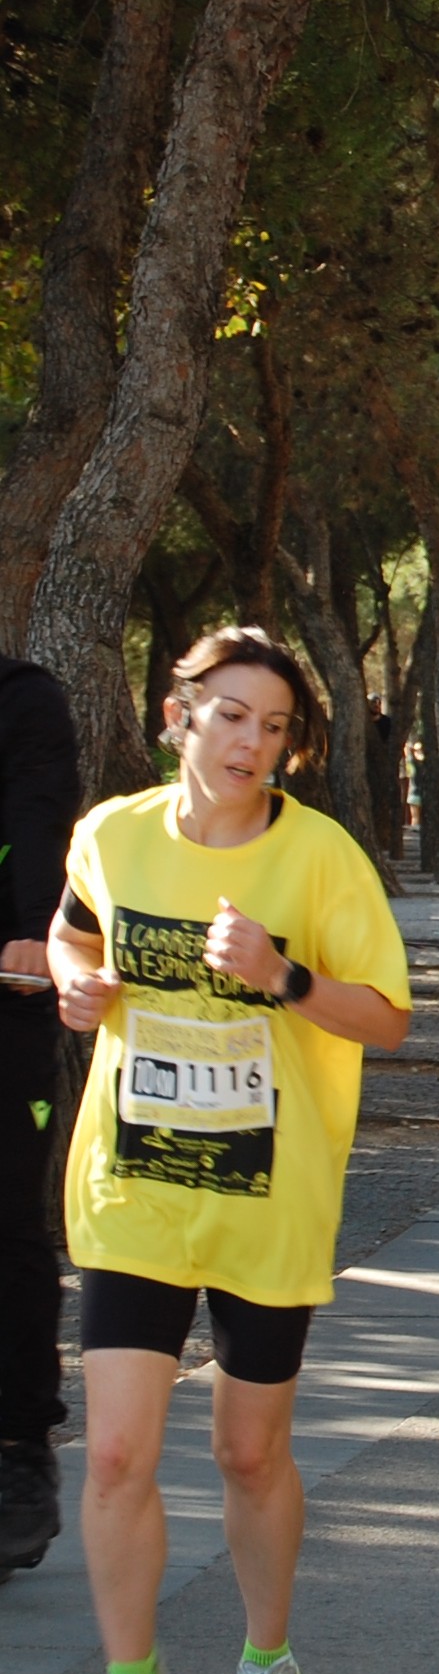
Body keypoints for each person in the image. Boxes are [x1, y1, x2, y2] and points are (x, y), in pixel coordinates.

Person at [45, 628, 411, 1674]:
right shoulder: (112, 834)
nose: (252, 742)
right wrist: (75, 983)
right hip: (136, 1185)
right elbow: (72, 930)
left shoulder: (320, 858)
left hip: (267, 1194)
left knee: (247, 1451)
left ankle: (266, 1667)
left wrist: (283, 976)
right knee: (115, 1450)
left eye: (274, 726)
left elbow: (387, 1016)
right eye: (232, 715)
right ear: (180, 716)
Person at [0, 654, 77, 1580]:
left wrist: (31, 927)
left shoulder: (23, 700)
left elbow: (37, 816)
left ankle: (19, 1446)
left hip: (7, 992)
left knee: (8, 1222)